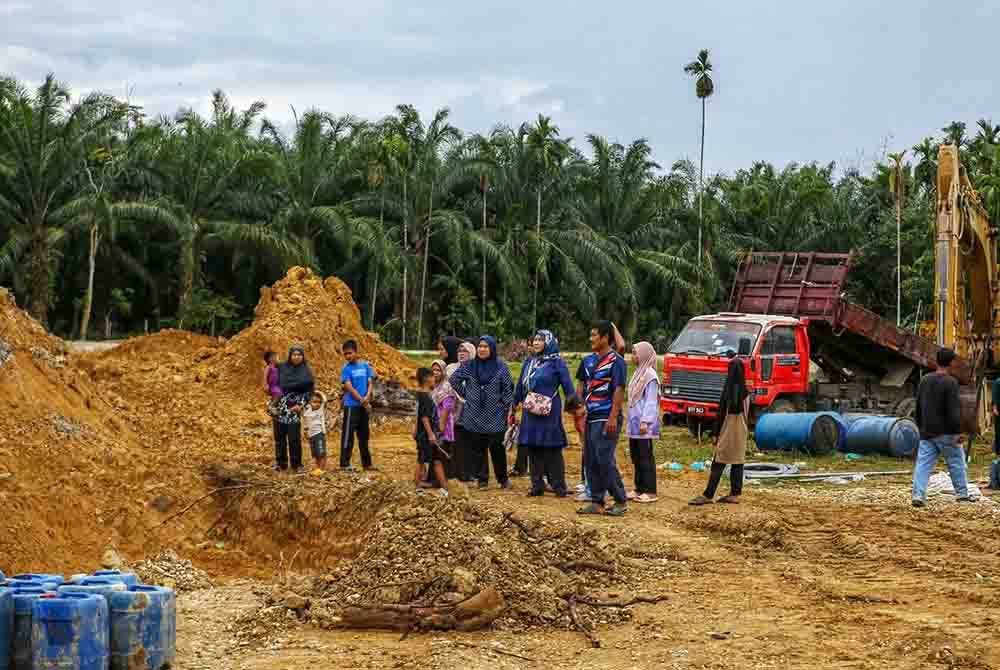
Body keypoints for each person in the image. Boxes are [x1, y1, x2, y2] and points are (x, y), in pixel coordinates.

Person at [511, 330, 577, 497]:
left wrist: (574, 403)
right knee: (533, 447)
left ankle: (559, 486)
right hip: (530, 409)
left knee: (552, 448)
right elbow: (520, 385)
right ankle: (537, 485)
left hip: (549, 411)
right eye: (535, 340)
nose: (536, 343)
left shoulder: (557, 362)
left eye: (540, 340)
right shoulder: (529, 362)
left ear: (549, 342)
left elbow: (568, 385)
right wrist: (514, 403)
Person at [576, 321, 629, 516]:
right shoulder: (587, 361)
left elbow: (619, 390)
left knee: (604, 459)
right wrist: (579, 408)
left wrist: (613, 417)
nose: (591, 339)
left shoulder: (616, 361)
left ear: (606, 337)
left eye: (594, 335)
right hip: (590, 417)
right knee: (590, 459)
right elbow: (581, 386)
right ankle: (597, 501)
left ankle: (620, 500)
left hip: (606, 416)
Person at [449, 336, 514, 490]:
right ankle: (482, 480)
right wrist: (466, 394)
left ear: (491, 349)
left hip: (495, 414)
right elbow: (454, 379)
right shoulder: (470, 366)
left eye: (485, 346)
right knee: (478, 448)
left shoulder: (501, 366)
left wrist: (506, 405)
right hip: (474, 413)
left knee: (497, 447)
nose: (482, 349)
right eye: (480, 346)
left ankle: (503, 479)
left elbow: (507, 388)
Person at [912, 348, 971, 507]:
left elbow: (918, 405)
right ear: (951, 362)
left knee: (923, 464)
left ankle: (918, 495)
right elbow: (953, 411)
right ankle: (962, 494)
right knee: (956, 462)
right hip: (946, 433)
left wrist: (920, 425)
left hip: (927, 431)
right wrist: (957, 432)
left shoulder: (924, 380)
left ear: (936, 360)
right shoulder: (951, 382)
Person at [690, 349, 750, 505]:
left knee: (719, 460)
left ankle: (708, 495)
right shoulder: (746, 391)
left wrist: (715, 433)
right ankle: (735, 494)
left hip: (728, 428)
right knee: (737, 460)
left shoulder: (729, 393)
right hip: (741, 429)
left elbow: (722, 413)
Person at [626, 341, 660, 503]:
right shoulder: (638, 372)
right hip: (634, 422)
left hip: (643, 424)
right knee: (636, 455)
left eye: (635, 353)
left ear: (644, 354)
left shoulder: (650, 375)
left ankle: (650, 490)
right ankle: (639, 487)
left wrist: (645, 421)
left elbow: (651, 401)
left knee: (645, 456)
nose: (633, 356)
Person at [273, 345, 315, 472]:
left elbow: (309, 392)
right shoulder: (282, 367)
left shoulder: (306, 372)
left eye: (299, 354)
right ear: (290, 356)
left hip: (294, 407)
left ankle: (296, 464)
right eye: (294, 354)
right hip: (280, 407)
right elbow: (273, 381)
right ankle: (281, 463)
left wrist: (301, 405)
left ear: (303, 357)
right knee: (279, 437)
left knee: (294, 437)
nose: (296, 357)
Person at [340, 340, 376, 471]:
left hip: (363, 405)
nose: (348, 356)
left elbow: (370, 382)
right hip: (351, 406)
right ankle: (345, 463)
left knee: (364, 435)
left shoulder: (365, 366)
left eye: (350, 353)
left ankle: (367, 464)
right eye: (345, 354)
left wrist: (367, 398)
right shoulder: (346, 369)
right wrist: (362, 400)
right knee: (348, 435)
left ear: (356, 352)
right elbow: (348, 386)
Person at [414, 367, 448, 497]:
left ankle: (444, 488)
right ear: (427, 379)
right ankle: (417, 486)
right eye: (433, 377)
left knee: (437, 460)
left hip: (428, 434)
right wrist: (430, 434)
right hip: (427, 435)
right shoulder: (424, 397)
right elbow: (424, 417)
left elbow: (418, 416)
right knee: (422, 459)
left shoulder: (424, 395)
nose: (435, 379)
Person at [450, 342, 477, 482]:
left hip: (471, 410)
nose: (461, 353)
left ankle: (470, 472)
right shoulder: (451, 368)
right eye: (459, 350)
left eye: (465, 351)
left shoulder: (476, 369)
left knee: (469, 443)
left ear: (472, 353)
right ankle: (455, 471)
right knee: (455, 442)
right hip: (451, 410)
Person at [431, 359, 457, 480]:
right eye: (433, 370)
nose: (435, 372)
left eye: (438, 370)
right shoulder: (432, 386)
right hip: (433, 422)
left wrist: (441, 426)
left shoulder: (447, 387)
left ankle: (445, 478)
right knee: (434, 452)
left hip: (444, 424)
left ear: (443, 372)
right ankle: (435, 478)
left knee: (442, 451)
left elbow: (447, 408)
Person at [302, 391, 328, 471]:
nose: (317, 404)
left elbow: (324, 399)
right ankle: (318, 468)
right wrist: (305, 432)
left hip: (319, 434)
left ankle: (321, 469)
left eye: (319, 402)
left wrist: (317, 392)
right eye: (314, 402)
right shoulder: (307, 411)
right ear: (310, 402)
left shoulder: (320, 410)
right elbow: (306, 423)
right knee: (315, 453)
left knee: (321, 453)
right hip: (311, 435)